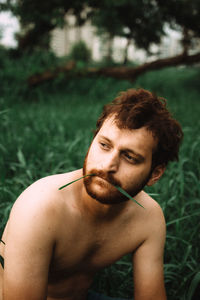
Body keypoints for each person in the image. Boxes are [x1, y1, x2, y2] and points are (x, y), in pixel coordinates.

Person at [0, 88, 183, 300]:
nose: (108, 165)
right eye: (104, 145)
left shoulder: (148, 217)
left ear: (155, 174)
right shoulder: (40, 207)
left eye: (130, 157)